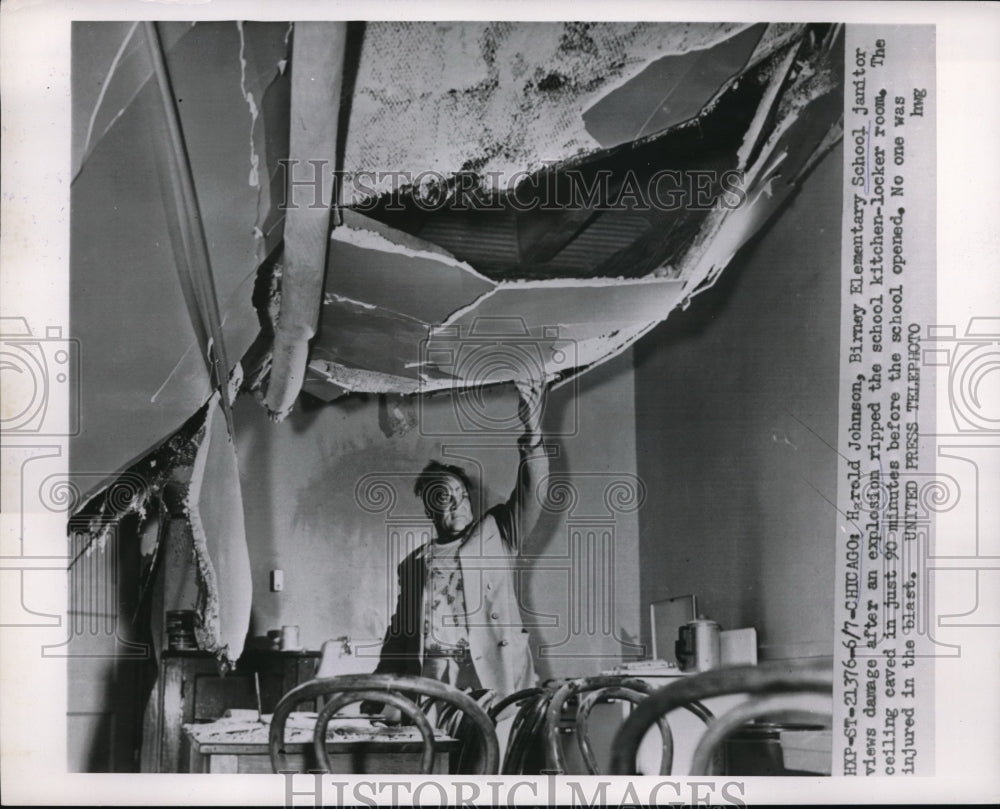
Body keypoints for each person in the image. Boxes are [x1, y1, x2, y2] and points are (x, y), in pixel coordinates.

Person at [362, 379, 549, 719]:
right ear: (430, 509)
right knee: (442, 764)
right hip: (434, 677)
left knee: (492, 765)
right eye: (447, 498)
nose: (460, 505)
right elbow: (399, 638)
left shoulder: (496, 533)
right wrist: (376, 696)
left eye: (463, 495)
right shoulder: (413, 564)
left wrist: (532, 431)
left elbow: (532, 493)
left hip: (492, 673)